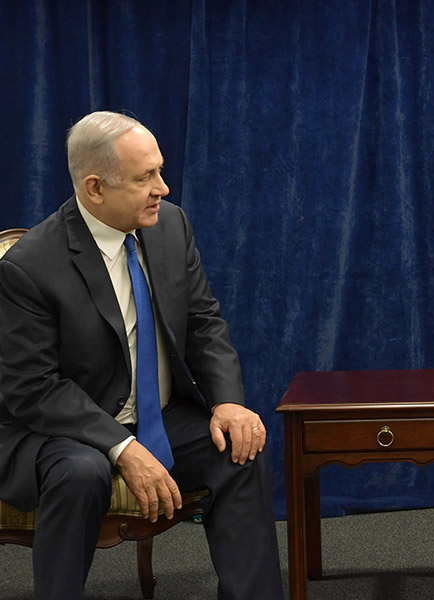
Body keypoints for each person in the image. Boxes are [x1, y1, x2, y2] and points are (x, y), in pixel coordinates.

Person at [0, 111, 283, 599]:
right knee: (82, 472)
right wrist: (122, 447)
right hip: (63, 429)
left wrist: (228, 401)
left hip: (160, 415)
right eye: (145, 177)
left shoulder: (170, 226)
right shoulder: (29, 267)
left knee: (241, 452)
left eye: (160, 170)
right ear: (95, 188)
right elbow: (33, 388)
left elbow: (204, 323)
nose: (164, 188)